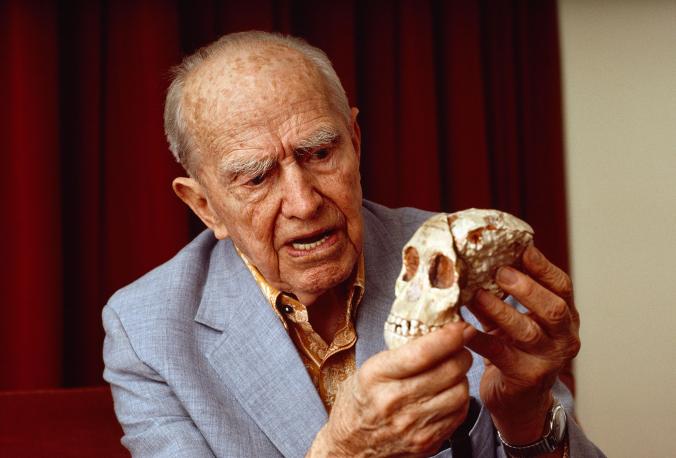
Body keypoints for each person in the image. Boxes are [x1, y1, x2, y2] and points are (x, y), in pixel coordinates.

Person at [102, 31, 604, 457]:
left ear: (356, 143)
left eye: (320, 153)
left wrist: (526, 420)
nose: (303, 202)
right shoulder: (147, 331)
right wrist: (344, 452)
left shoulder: (465, 260)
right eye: (256, 179)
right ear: (205, 206)